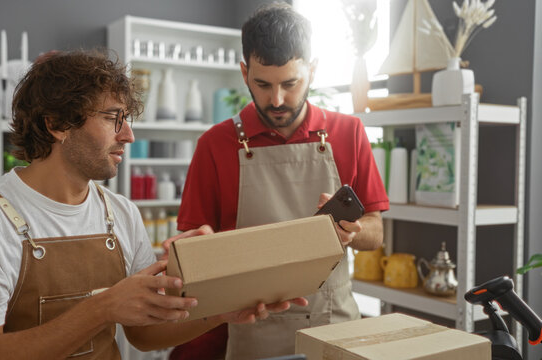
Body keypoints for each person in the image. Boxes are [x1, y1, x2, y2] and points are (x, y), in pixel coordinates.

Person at [0, 49, 306, 360]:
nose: (129, 135)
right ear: (57, 124)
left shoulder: (120, 212)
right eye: (113, 119)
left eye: (126, 119)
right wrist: (102, 308)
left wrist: (219, 313)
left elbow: (143, 334)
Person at [165, 3, 389, 359]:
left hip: (334, 326)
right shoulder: (215, 145)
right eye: (263, 84)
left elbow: (377, 232)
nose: (278, 100)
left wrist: (353, 230)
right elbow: (193, 250)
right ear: (243, 73)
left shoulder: (349, 132)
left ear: (312, 70)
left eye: (290, 83)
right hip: (251, 329)